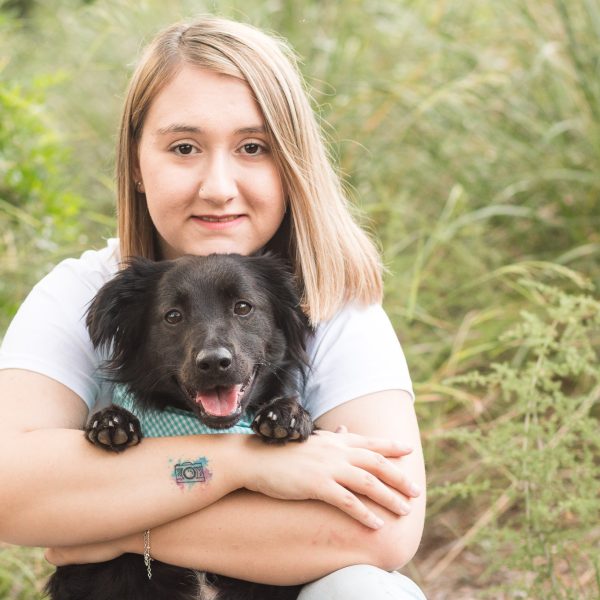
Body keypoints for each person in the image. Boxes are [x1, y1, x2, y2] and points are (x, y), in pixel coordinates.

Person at [0, 15, 427, 599]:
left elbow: (384, 532)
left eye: (252, 147)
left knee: (370, 592)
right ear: (134, 163)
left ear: (291, 162)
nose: (219, 186)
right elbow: (9, 490)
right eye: (184, 147)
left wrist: (113, 527)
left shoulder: (330, 296)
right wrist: (241, 464)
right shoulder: (85, 290)